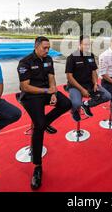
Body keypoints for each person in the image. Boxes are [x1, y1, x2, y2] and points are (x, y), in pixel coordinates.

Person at [17, 36, 72, 190]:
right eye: (44, 48)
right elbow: (25, 87)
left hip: (47, 92)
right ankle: (37, 166)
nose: (47, 51)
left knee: (66, 103)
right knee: (39, 126)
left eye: (48, 48)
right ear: (36, 46)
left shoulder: (48, 59)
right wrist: (47, 90)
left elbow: (51, 77)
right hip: (31, 96)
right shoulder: (25, 62)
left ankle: (44, 123)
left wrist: (53, 92)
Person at [65, 35, 111, 122]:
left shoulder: (91, 55)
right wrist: (82, 90)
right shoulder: (71, 57)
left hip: (89, 84)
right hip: (75, 86)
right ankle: (74, 110)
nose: (87, 46)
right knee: (76, 103)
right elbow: (69, 77)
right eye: (84, 44)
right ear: (79, 44)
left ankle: (86, 105)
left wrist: (95, 83)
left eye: (88, 44)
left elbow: (94, 71)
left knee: (107, 96)